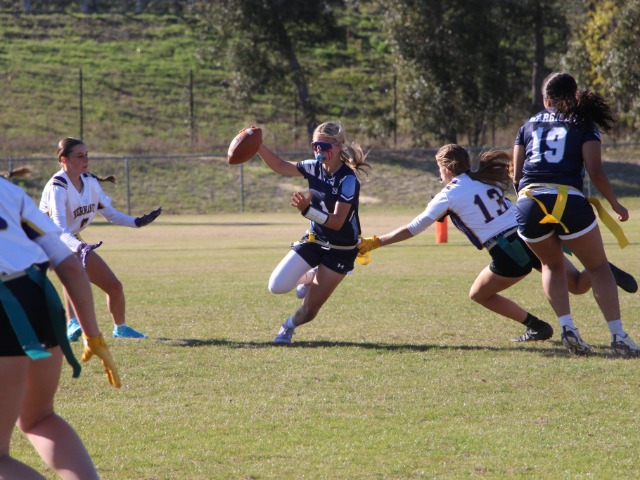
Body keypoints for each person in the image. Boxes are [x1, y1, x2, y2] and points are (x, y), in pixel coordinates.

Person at [358, 144, 637, 344]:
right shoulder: (482, 180)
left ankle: (537, 326)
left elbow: (413, 228)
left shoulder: (448, 194)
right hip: (532, 235)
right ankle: (601, 269)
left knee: (479, 294)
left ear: (445, 168)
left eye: (438, 168)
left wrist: (376, 242)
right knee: (576, 284)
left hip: (507, 248)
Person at [0, 174, 120, 480]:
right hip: (38, 297)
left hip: (5, 305)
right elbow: (69, 266)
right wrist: (93, 335)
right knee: (39, 418)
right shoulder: (9, 191)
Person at [513, 71, 639, 357]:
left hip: (529, 202)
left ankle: (567, 328)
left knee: (551, 265)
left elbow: (517, 175)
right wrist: (615, 204)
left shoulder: (528, 124)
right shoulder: (583, 124)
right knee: (598, 267)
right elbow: (595, 170)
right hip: (567, 200)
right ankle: (618, 336)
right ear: (574, 96)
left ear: (546, 99)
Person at [257, 120, 370, 344]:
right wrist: (257, 146)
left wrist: (307, 210)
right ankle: (311, 276)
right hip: (315, 240)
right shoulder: (312, 167)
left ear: (338, 146)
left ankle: (288, 326)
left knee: (309, 311)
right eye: (314, 145)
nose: (318, 151)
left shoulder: (348, 179)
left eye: (324, 146)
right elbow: (280, 166)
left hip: (341, 250)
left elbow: (337, 223)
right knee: (276, 285)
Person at [40, 137, 162, 341]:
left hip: (70, 239)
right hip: (46, 239)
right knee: (74, 272)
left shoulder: (89, 181)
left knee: (114, 286)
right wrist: (80, 247)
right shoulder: (57, 186)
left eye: (87, 155)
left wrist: (137, 222)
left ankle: (120, 329)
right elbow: (59, 229)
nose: (86, 160)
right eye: (80, 156)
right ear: (64, 159)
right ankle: (71, 323)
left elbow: (110, 214)